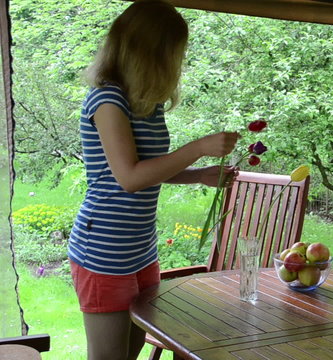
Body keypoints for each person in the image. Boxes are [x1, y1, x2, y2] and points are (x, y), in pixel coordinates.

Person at [66, 1, 240, 359]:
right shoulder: (108, 100)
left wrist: (198, 176)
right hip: (104, 250)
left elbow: (147, 167)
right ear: (150, 51)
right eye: (174, 53)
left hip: (141, 249)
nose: (178, 63)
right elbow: (128, 178)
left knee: (131, 353)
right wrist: (199, 148)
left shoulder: (145, 103)